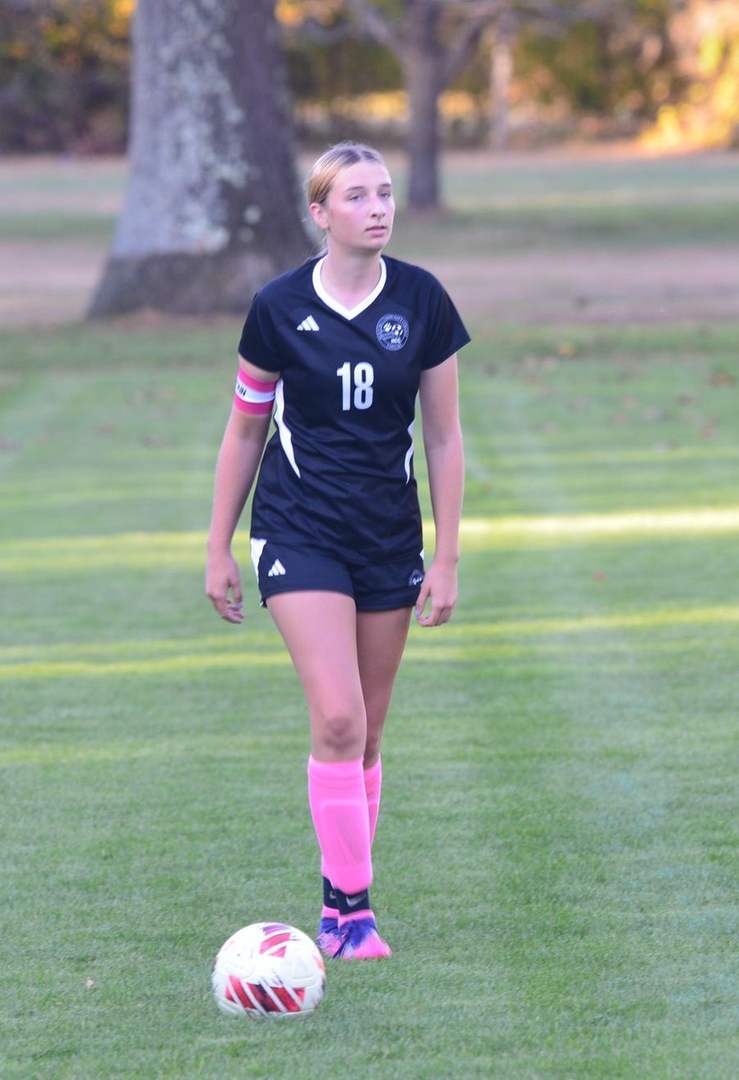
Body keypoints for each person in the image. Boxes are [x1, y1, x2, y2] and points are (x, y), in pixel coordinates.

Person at [204, 142, 468, 962]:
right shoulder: (278, 307)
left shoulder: (421, 300)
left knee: (371, 733)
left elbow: (446, 437)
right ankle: (349, 914)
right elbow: (247, 427)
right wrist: (218, 546)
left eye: (386, 193)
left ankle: (342, 896)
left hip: (387, 535)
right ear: (320, 214)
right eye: (357, 196)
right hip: (298, 530)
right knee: (339, 715)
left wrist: (448, 555)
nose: (379, 208)